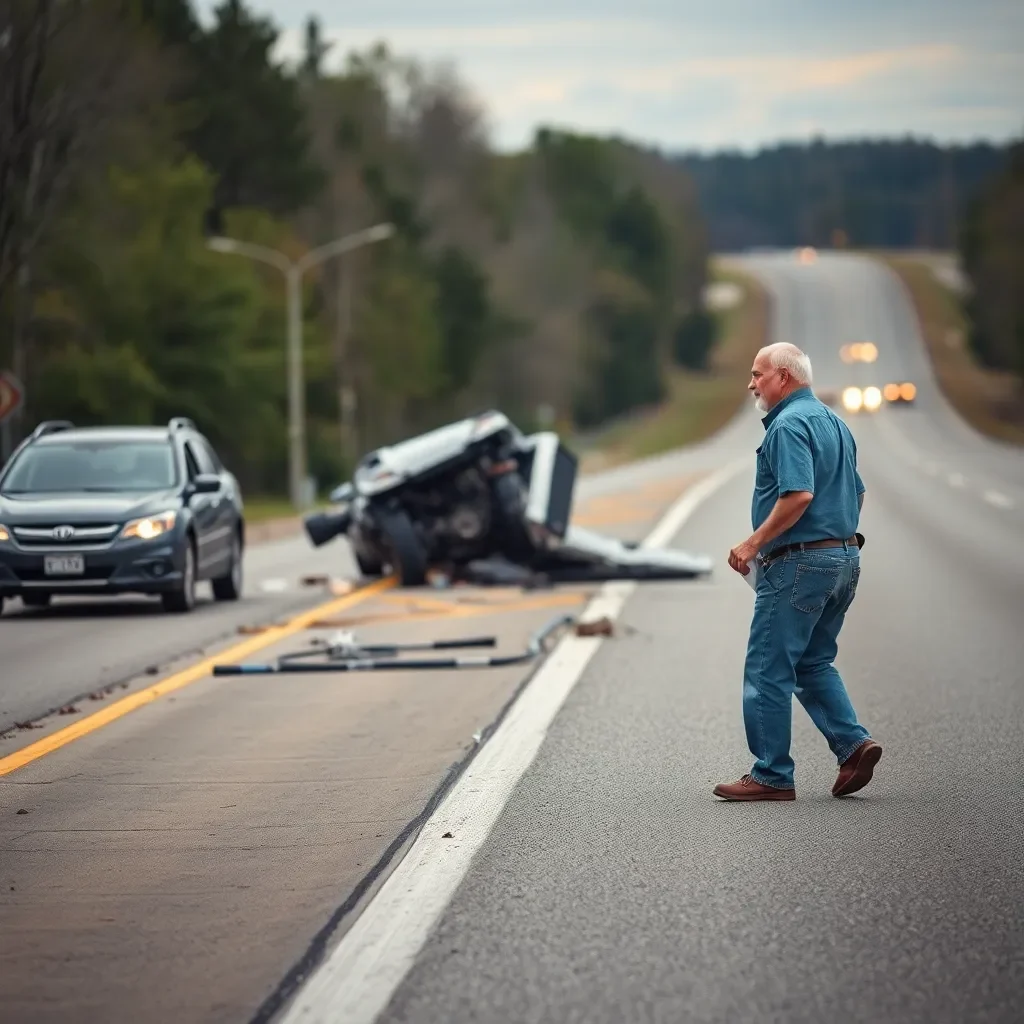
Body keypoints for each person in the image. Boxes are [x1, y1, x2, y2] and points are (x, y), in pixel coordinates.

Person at [714, 342, 881, 801]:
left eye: (757, 374)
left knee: (768, 668)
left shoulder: (787, 425)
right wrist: (834, 536)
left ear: (783, 377)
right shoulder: (836, 423)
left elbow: (798, 494)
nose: (751, 384)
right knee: (812, 661)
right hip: (845, 560)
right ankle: (854, 747)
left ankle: (771, 775)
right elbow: (857, 493)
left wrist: (752, 544)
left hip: (801, 564)